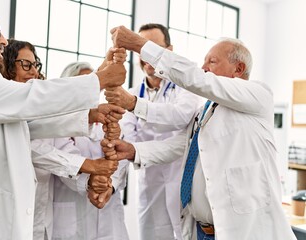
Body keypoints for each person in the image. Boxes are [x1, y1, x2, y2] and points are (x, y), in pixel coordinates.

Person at [0, 1, 125, 240]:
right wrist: (99, 79)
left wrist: (88, 115)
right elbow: (30, 97)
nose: (3, 41)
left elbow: (22, 126)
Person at [102, 26, 297, 239]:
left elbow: (199, 80)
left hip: (244, 231)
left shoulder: (259, 95)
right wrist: (133, 151)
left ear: (238, 69)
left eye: (211, 61)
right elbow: (180, 145)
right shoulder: (205, 111)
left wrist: (138, 45)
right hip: (201, 230)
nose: (203, 67)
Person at [2, 40, 125, 240]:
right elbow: (35, 147)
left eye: (35, 65)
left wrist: (104, 182)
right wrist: (91, 167)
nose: (33, 71)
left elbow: (121, 157)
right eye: (26, 64)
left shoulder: (49, 114)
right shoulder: (2, 108)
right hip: (11, 211)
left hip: (43, 216)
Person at [104, 23, 201, 240]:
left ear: (170, 50)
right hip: (149, 184)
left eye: (152, 48)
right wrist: (112, 185)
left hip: (183, 182)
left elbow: (180, 116)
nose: (146, 54)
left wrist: (135, 104)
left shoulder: (185, 87)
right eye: (140, 48)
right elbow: (125, 142)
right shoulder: (131, 94)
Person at [51, 61, 129, 240]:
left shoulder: (110, 122)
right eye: (82, 84)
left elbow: (121, 160)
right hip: (70, 218)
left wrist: (110, 186)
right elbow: (64, 160)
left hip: (110, 220)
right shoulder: (58, 123)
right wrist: (92, 183)